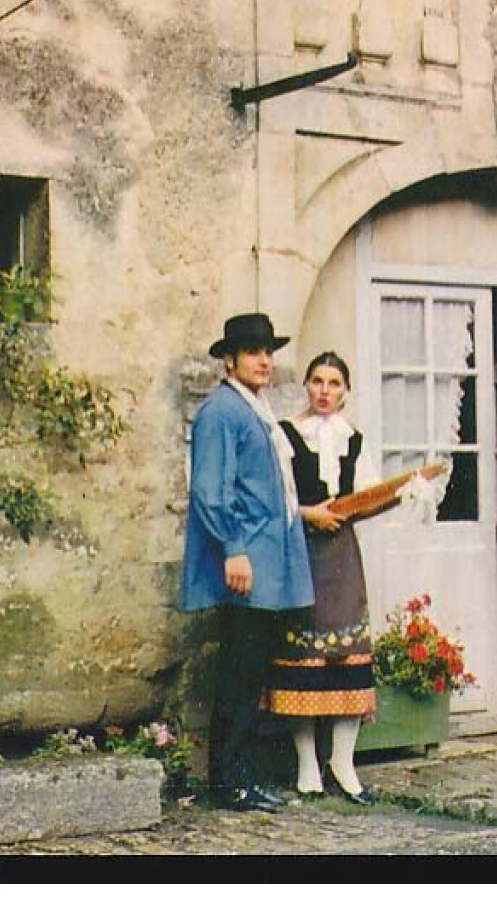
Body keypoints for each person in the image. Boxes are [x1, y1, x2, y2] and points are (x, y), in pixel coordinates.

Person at [180, 313, 313, 811]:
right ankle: (229, 781)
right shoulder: (222, 412)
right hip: (246, 561)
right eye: (252, 351)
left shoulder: (254, 409)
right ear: (229, 359)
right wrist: (233, 548)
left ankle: (244, 776)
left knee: (252, 671)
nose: (264, 359)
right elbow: (210, 491)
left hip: (267, 560)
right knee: (240, 671)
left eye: (268, 351)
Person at [263, 352, 380, 806]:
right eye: (317, 381)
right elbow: (277, 496)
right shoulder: (287, 435)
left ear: (346, 390)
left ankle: (343, 763)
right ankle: (308, 764)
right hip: (301, 553)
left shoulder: (355, 441)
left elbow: (366, 496)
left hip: (342, 556)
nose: (325, 391)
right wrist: (310, 514)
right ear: (307, 387)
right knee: (303, 658)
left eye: (334, 383)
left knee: (347, 655)